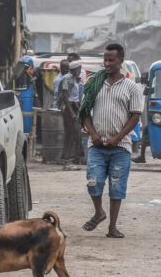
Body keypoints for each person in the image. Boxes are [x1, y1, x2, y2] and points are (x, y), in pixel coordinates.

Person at [78, 43, 144, 238]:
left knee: (117, 186)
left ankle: (112, 227)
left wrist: (117, 138)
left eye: (111, 60)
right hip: (97, 146)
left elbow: (135, 116)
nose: (107, 63)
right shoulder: (94, 84)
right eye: (105, 59)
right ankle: (99, 212)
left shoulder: (131, 87)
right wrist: (93, 134)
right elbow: (84, 114)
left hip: (121, 147)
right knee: (93, 182)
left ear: (120, 61)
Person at [58, 59, 83, 166]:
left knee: (73, 132)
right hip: (69, 108)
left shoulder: (76, 79)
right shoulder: (67, 78)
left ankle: (70, 156)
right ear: (74, 69)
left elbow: (76, 95)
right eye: (79, 69)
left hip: (75, 106)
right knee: (73, 132)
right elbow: (64, 95)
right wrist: (71, 111)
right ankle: (72, 156)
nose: (80, 71)